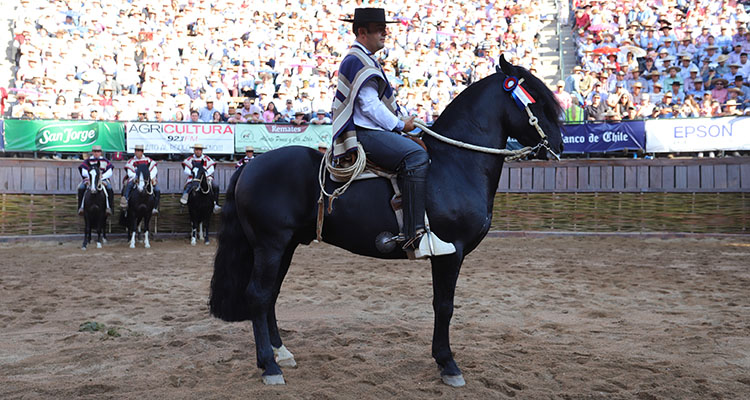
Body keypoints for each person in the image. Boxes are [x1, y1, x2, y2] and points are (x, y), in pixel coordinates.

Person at [332, 8, 454, 259]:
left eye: (384, 28)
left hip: (370, 129)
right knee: (415, 157)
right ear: (362, 32)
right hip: (365, 133)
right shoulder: (357, 59)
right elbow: (369, 105)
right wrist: (400, 125)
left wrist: (403, 121)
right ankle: (414, 234)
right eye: (379, 28)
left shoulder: (363, 58)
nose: (384, 33)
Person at [180, 143, 221, 214]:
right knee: (189, 186)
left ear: (202, 151)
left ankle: (215, 203)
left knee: (215, 186)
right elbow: (186, 170)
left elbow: (211, 169)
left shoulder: (207, 159)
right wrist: (194, 174)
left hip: (206, 178)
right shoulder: (190, 159)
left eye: (199, 150)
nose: (198, 151)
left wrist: (204, 175)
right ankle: (184, 199)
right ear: (194, 150)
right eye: (196, 150)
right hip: (193, 178)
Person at [121, 144, 160, 214]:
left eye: (139, 151)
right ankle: (126, 200)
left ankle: (155, 207)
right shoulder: (131, 161)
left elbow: (154, 169)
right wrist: (136, 177)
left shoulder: (148, 160)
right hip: (136, 178)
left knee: (157, 189)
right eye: (136, 151)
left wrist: (149, 177)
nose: (137, 152)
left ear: (142, 152)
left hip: (147, 179)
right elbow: (130, 172)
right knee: (128, 185)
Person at [77, 145, 114, 216]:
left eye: (98, 151)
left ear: (101, 152)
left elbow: (110, 172)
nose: (96, 153)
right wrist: (91, 177)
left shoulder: (105, 161)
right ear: (92, 152)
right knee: (81, 188)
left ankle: (109, 207)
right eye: (95, 151)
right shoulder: (88, 161)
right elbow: (84, 171)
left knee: (109, 188)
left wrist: (102, 177)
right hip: (90, 179)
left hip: (102, 179)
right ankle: (81, 207)